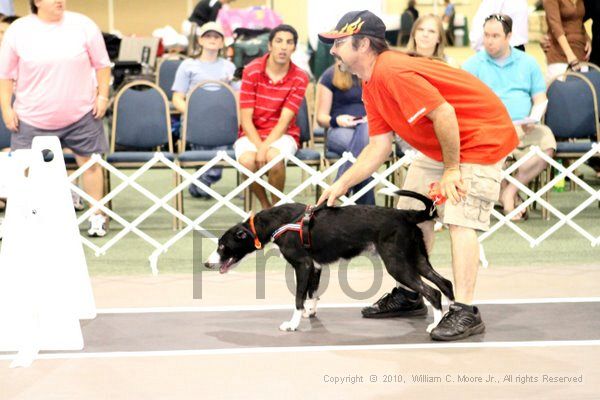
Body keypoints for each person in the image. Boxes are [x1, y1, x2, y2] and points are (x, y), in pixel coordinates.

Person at [318, 10, 518, 341]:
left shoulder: (392, 72)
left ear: (363, 44)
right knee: (411, 217)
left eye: (339, 42)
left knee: (459, 218)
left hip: (481, 137)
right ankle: (412, 292)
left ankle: (465, 310)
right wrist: (341, 184)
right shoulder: (370, 82)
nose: (333, 50)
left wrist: (452, 170)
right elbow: (379, 146)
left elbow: (444, 113)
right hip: (445, 140)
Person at [0, 0, 111, 237]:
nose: (60, 0)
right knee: (25, 169)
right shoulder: (18, 30)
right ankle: (30, 217)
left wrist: (102, 96)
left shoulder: (84, 25)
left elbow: (102, 65)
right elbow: (5, 75)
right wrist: (6, 109)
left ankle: (96, 216)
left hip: (82, 113)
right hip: (31, 116)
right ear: (37, 2)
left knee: (90, 164)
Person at [463, 14, 556, 221]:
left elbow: (540, 99)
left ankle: (510, 192)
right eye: (486, 35)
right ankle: (506, 195)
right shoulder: (472, 64)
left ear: (509, 37)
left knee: (547, 139)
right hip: (489, 130)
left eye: (495, 36)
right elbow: (464, 104)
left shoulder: (528, 62)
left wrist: (534, 118)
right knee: (489, 146)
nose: (489, 40)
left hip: (524, 127)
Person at [236, 24, 309, 209]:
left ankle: (278, 210)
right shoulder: (251, 71)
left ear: (293, 48)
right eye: (279, 41)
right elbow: (245, 119)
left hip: (284, 134)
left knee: (274, 159)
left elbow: (284, 122)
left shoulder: (300, 77)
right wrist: (260, 147)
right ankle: (266, 206)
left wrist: (264, 148)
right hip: (251, 132)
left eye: (289, 42)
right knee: (246, 161)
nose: (283, 46)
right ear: (270, 46)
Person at [171, 22, 237, 199]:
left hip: (222, 120)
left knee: (217, 159)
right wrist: (194, 114)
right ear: (200, 40)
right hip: (196, 121)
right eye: (208, 36)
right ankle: (201, 182)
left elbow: (237, 97)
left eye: (217, 37)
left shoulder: (229, 67)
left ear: (222, 42)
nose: (212, 40)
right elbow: (177, 98)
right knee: (209, 158)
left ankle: (200, 182)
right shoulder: (188, 65)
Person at [316, 60, 374, 205]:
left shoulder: (373, 73)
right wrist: (337, 120)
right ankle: (366, 210)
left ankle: (339, 186)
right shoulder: (329, 75)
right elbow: (320, 117)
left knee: (365, 130)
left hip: (370, 131)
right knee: (364, 154)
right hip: (339, 130)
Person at [543, 0, 591, 80]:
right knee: (561, 90)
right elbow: (555, 26)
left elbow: (579, 21)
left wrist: (587, 38)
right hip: (560, 55)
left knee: (583, 91)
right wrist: (570, 55)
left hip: (581, 53)